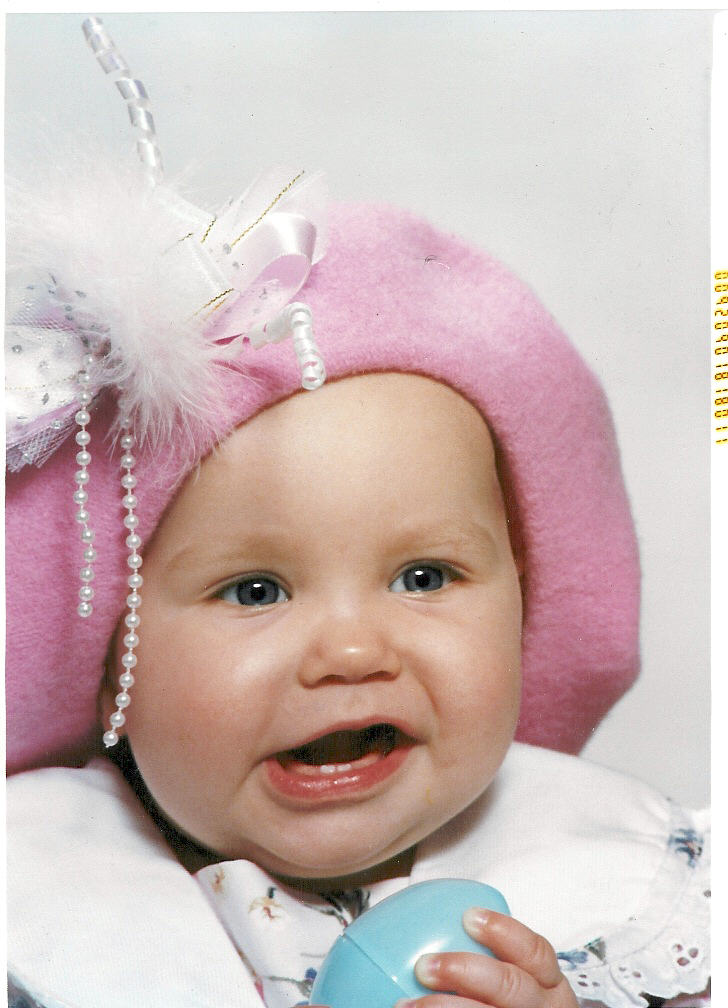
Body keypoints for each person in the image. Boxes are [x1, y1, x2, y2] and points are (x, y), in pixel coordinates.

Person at [5, 18, 709, 1008]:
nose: (349, 652)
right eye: (254, 590)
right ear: (110, 646)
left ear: (523, 591)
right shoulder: (37, 905)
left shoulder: (632, 889)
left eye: (424, 576)